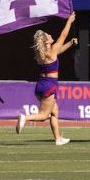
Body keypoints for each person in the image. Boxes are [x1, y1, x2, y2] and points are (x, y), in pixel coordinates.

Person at [16, 12, 78, 146]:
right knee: (44, 115)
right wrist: (69, 21)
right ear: (46, 42)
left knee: (54, 111)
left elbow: (58, 51)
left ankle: (58, 139)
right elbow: (63, 35)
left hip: (40, 85)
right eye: (48, 36)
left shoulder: (42, 54)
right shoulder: (52, 50)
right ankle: (25, 117)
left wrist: (70, 43)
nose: (51, 36)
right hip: (50, 85)